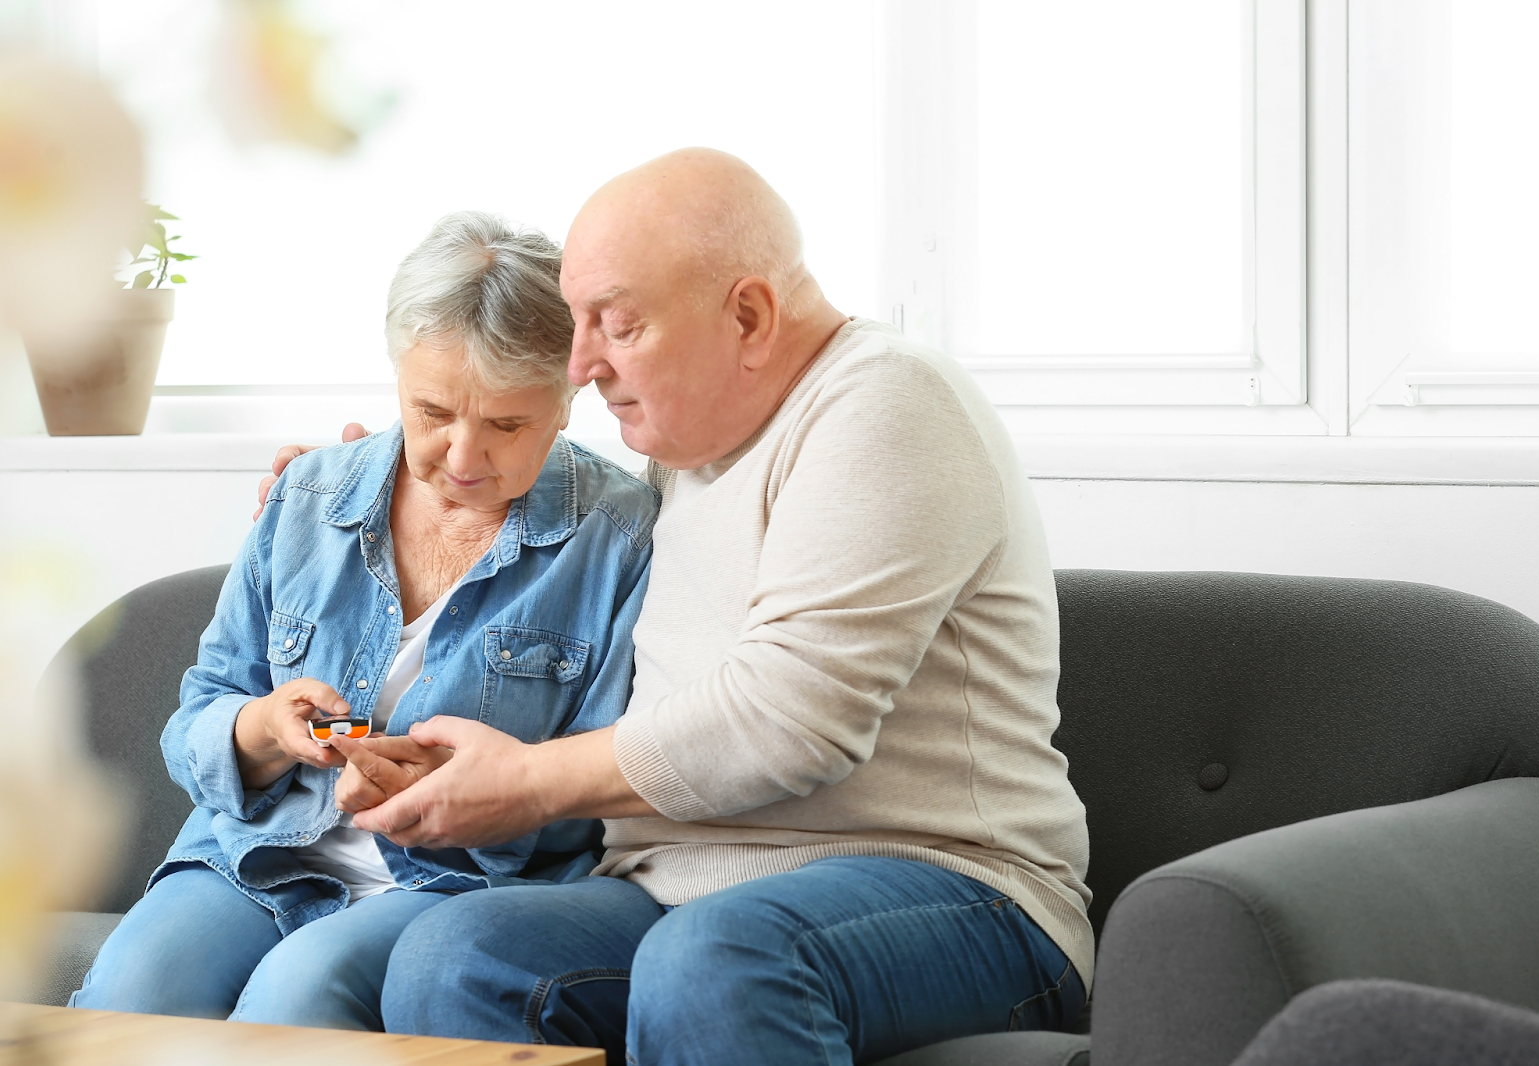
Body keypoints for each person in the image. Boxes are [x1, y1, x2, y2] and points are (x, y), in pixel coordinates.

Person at [266, 148, 1092, 1065]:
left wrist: (529, 785)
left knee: (715, 960)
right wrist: (360, 494)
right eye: (577, 325)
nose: (581, 366)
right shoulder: (685, 453)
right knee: (457, 956)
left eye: (615, 325)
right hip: (674, 888)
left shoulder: (886, 403)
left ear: (748, 314)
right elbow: (535, 516)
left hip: (950, 890)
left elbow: (790, 721)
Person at [69, 211, 657, 1026]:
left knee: (298, 994)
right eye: (433, 412)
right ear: (397, 378)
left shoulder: (617, 537)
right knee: (136, 987)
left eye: (506, 425)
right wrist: (264, 730)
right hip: (258, 854)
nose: (460, 458)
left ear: (567, 397)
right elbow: (200, 710)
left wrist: (470, 795)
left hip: (454, 882)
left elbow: (605, 790)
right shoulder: (310, 497)